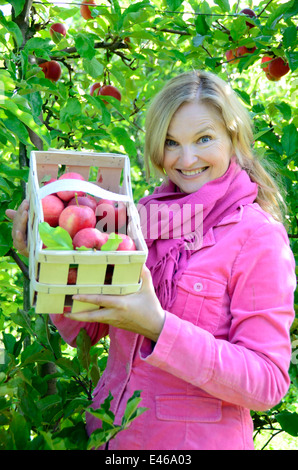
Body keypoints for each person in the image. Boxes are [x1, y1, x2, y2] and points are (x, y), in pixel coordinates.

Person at [6, 70, 296, 450]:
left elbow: (267, 382)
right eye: (171, 142)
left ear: (234, 137)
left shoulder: (256, 236)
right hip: (113, 437)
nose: (186, 158)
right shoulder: (142, 218)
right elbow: (87, 331)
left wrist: (159, 327)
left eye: (204, 139)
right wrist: (50, 258)